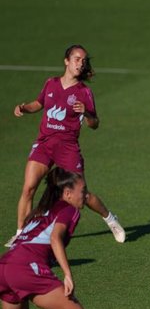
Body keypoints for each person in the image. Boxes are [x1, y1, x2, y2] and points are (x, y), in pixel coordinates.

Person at [6, 44, 125, 247]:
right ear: (67, 61)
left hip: (68, 147)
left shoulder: (84, 92)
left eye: (83, 60)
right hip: (44, 144)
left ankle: (110, 219)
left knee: (82, 195)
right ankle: (21, 234)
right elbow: (39, 103)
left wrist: (86, 114)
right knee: (28, 189)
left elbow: (95, 124)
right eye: (77, 59)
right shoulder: (51, 83)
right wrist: (25, 108)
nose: (81, 63)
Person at [0, 167, 89, 309]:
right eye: (83, 190)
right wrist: (68, 273)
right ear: (67, 193)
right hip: (25, 268)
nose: (86, 196)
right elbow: (55, 238)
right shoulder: (68, 210)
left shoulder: (41, 211)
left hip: (5, 267)